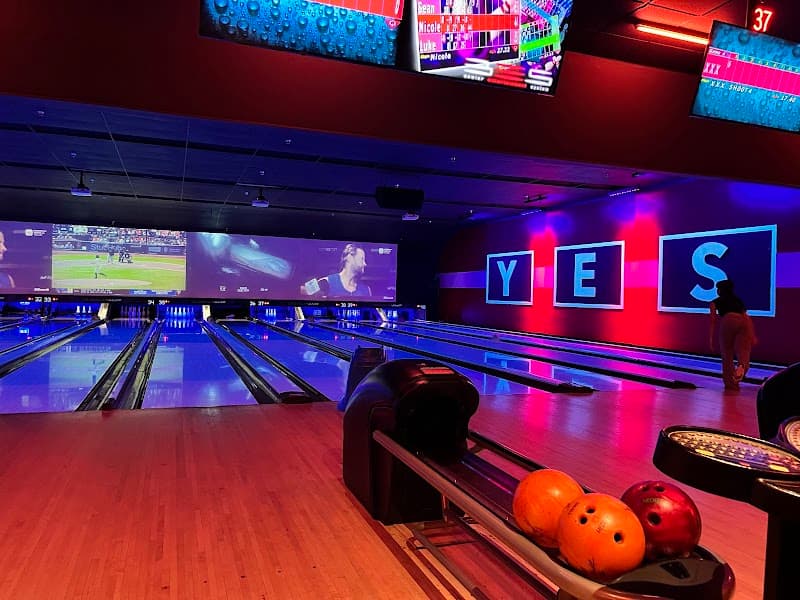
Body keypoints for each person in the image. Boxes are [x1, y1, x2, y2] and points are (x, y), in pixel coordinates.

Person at [709, 279, 756, 391]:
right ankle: (742, 366)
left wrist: (710, 339)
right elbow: (746, 316)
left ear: (720, 290)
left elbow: (713, 320)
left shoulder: (715, 301)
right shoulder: (738, 300)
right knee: (744, 351)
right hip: (744, 321)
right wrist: (752, 335)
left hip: (728, 319)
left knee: (727, 352)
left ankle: (730, 384)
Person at [301, 243, 372, 298]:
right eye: (362, 259)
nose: (365, 264)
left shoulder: (366, 290)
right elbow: (302, 290)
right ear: (350, 258)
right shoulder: (326, 281)